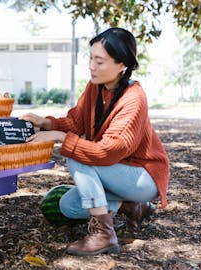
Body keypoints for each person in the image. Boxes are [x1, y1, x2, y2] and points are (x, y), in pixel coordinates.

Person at [22, 27, 169, 256]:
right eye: (91, 58)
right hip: (117, 174)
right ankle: (132, 206)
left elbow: (106, 153)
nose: (91, 66)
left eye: (99, 62)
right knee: (67, 207)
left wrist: (61, 138)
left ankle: (104, 235)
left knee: (77, 155)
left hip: (142, 177)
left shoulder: (133, 98)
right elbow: (76, 122)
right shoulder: (95, 87)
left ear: (122, 65)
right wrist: (46, 123)